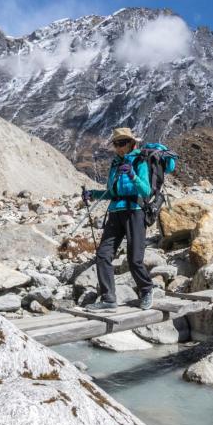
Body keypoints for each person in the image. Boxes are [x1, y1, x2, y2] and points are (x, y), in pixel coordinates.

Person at [81, 127, 155, 311]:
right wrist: (93, 194)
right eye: (116, 143)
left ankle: (146, 290)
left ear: (132, 143)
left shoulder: (140, 161)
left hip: (135, 211)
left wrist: (132, 174)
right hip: (115, 212)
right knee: (103, 255)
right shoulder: (115, 164)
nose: (118, 147)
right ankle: (108, 298)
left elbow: (146, 191)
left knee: (134, 258)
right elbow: (112, 192)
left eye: (122, 143)